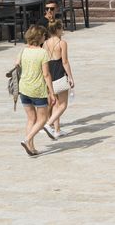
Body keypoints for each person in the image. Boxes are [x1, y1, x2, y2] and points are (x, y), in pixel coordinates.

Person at [16, 24, 56, 156]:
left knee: (30, 119)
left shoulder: (22, 51)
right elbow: (46, 74)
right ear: (39, 37)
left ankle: (31, 147)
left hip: (24, 88)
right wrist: (51, 92)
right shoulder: (42, 53)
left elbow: (17, 65)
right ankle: (27, 140)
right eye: (44, 35)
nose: (45, 37)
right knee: (42, 119)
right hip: (37, 90)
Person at [42, 19, 75, 140]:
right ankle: (48, 124)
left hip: (49, 73)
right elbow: (65, 62)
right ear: (57, 29)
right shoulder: (62, 43)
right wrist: (70, 77)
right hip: (59, 72)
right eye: (62, 28)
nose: (63, 30)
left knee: (55, 103)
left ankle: (57, 130)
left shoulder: (45, 43)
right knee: (63, 105)